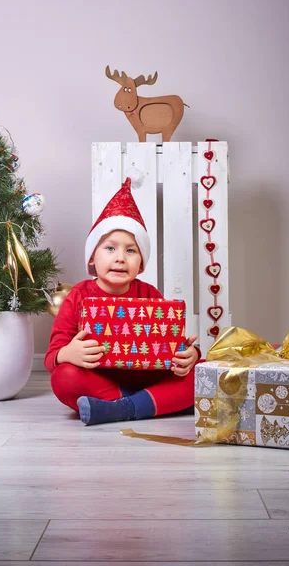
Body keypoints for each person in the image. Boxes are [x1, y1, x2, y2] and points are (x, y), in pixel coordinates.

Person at [44, 177, 201, 425]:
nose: (120, 258)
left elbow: (171, 346)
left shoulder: (149, 294)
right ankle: (146, 403)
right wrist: (67, 353)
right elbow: (52, 356)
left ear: (141, 264)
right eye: (110, 248)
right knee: (64, 377)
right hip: (100, 380)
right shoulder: (79, 295)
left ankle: (122, 408)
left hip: (148, 377)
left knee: (200, 371)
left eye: (131, 250)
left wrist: (188, 355)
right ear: (92, 258)